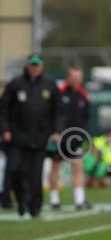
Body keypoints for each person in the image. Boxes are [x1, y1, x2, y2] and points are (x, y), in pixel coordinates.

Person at [0, 54, 63, 218]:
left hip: (39, 138)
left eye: (37, 65)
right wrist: (5, 129)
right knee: (14, 170)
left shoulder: (50, 85)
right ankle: (21, 202)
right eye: (32, 65)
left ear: (41, 66)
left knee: (36, 175)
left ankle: (35, 208)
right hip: (17, 138)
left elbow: (57, 111)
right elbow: (4, 109)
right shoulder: (15, 84)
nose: (34, 68)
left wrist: (56, 130)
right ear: (28, 66)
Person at [47, 66, 91, 210]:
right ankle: (54, 200)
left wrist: (83, 135)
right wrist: (54, 132)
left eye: (79, 77)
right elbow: (51, 113)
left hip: (75, 138)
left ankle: (79, 200)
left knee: (78, 167)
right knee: (55, 167)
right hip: (59, 137)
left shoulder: (83, 95)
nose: (76, 80)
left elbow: (86, 117)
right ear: (68, 77)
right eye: (74, 77)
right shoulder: (59, 92)